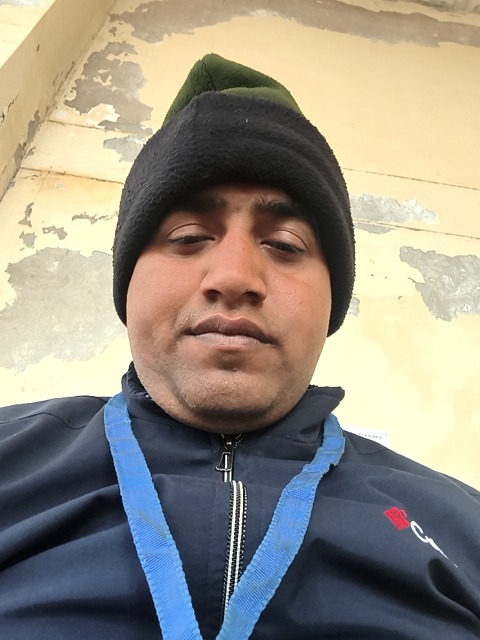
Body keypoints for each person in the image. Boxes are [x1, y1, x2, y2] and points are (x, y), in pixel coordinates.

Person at [0, 54, 479, 640]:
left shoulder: (464, 526)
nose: (234, 276)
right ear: (127, 284)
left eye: (286, 244)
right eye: (188, 237)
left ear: (332, 300)